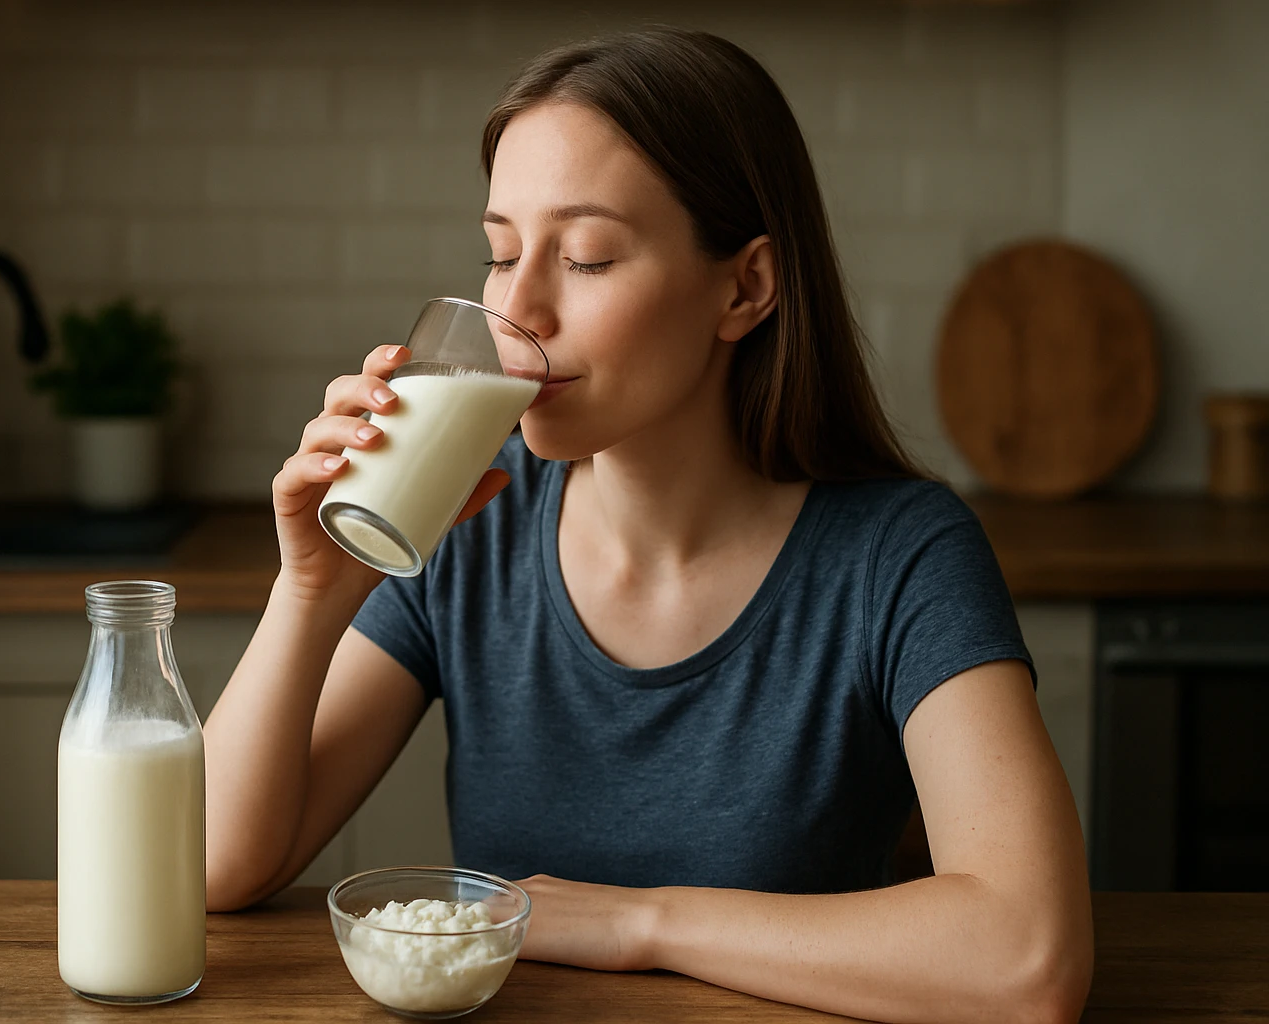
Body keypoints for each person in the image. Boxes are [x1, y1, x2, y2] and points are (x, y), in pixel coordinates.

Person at [203, 26, 1092, 1023]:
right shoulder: (468, 518)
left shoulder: (901, 553)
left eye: (585, 257)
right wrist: (311, 592)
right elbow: (211, 866)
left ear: (744, 286)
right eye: (500, 252)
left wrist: (637, 924)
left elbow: (1029, 959)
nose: (519, 308)